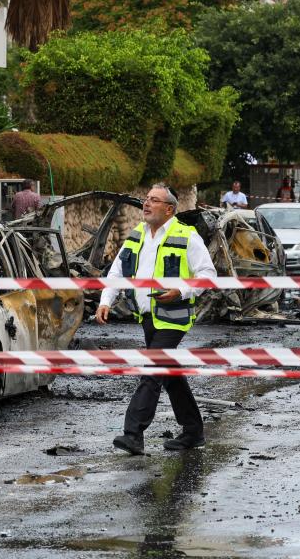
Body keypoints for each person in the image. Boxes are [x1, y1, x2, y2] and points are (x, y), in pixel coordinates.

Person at [96, 184, 217, 455]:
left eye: (154, 200)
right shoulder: (138, 234)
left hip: (173, 317)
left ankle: (133, 433)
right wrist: (106, 301)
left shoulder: (187, 234)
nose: (146, 204)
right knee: (170, 374)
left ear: (169, 209)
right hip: (148, 316)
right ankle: (193, 432)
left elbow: (208, 274)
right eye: (146, 199)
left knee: (151, 372)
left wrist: (181, 290)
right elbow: (117, 270)